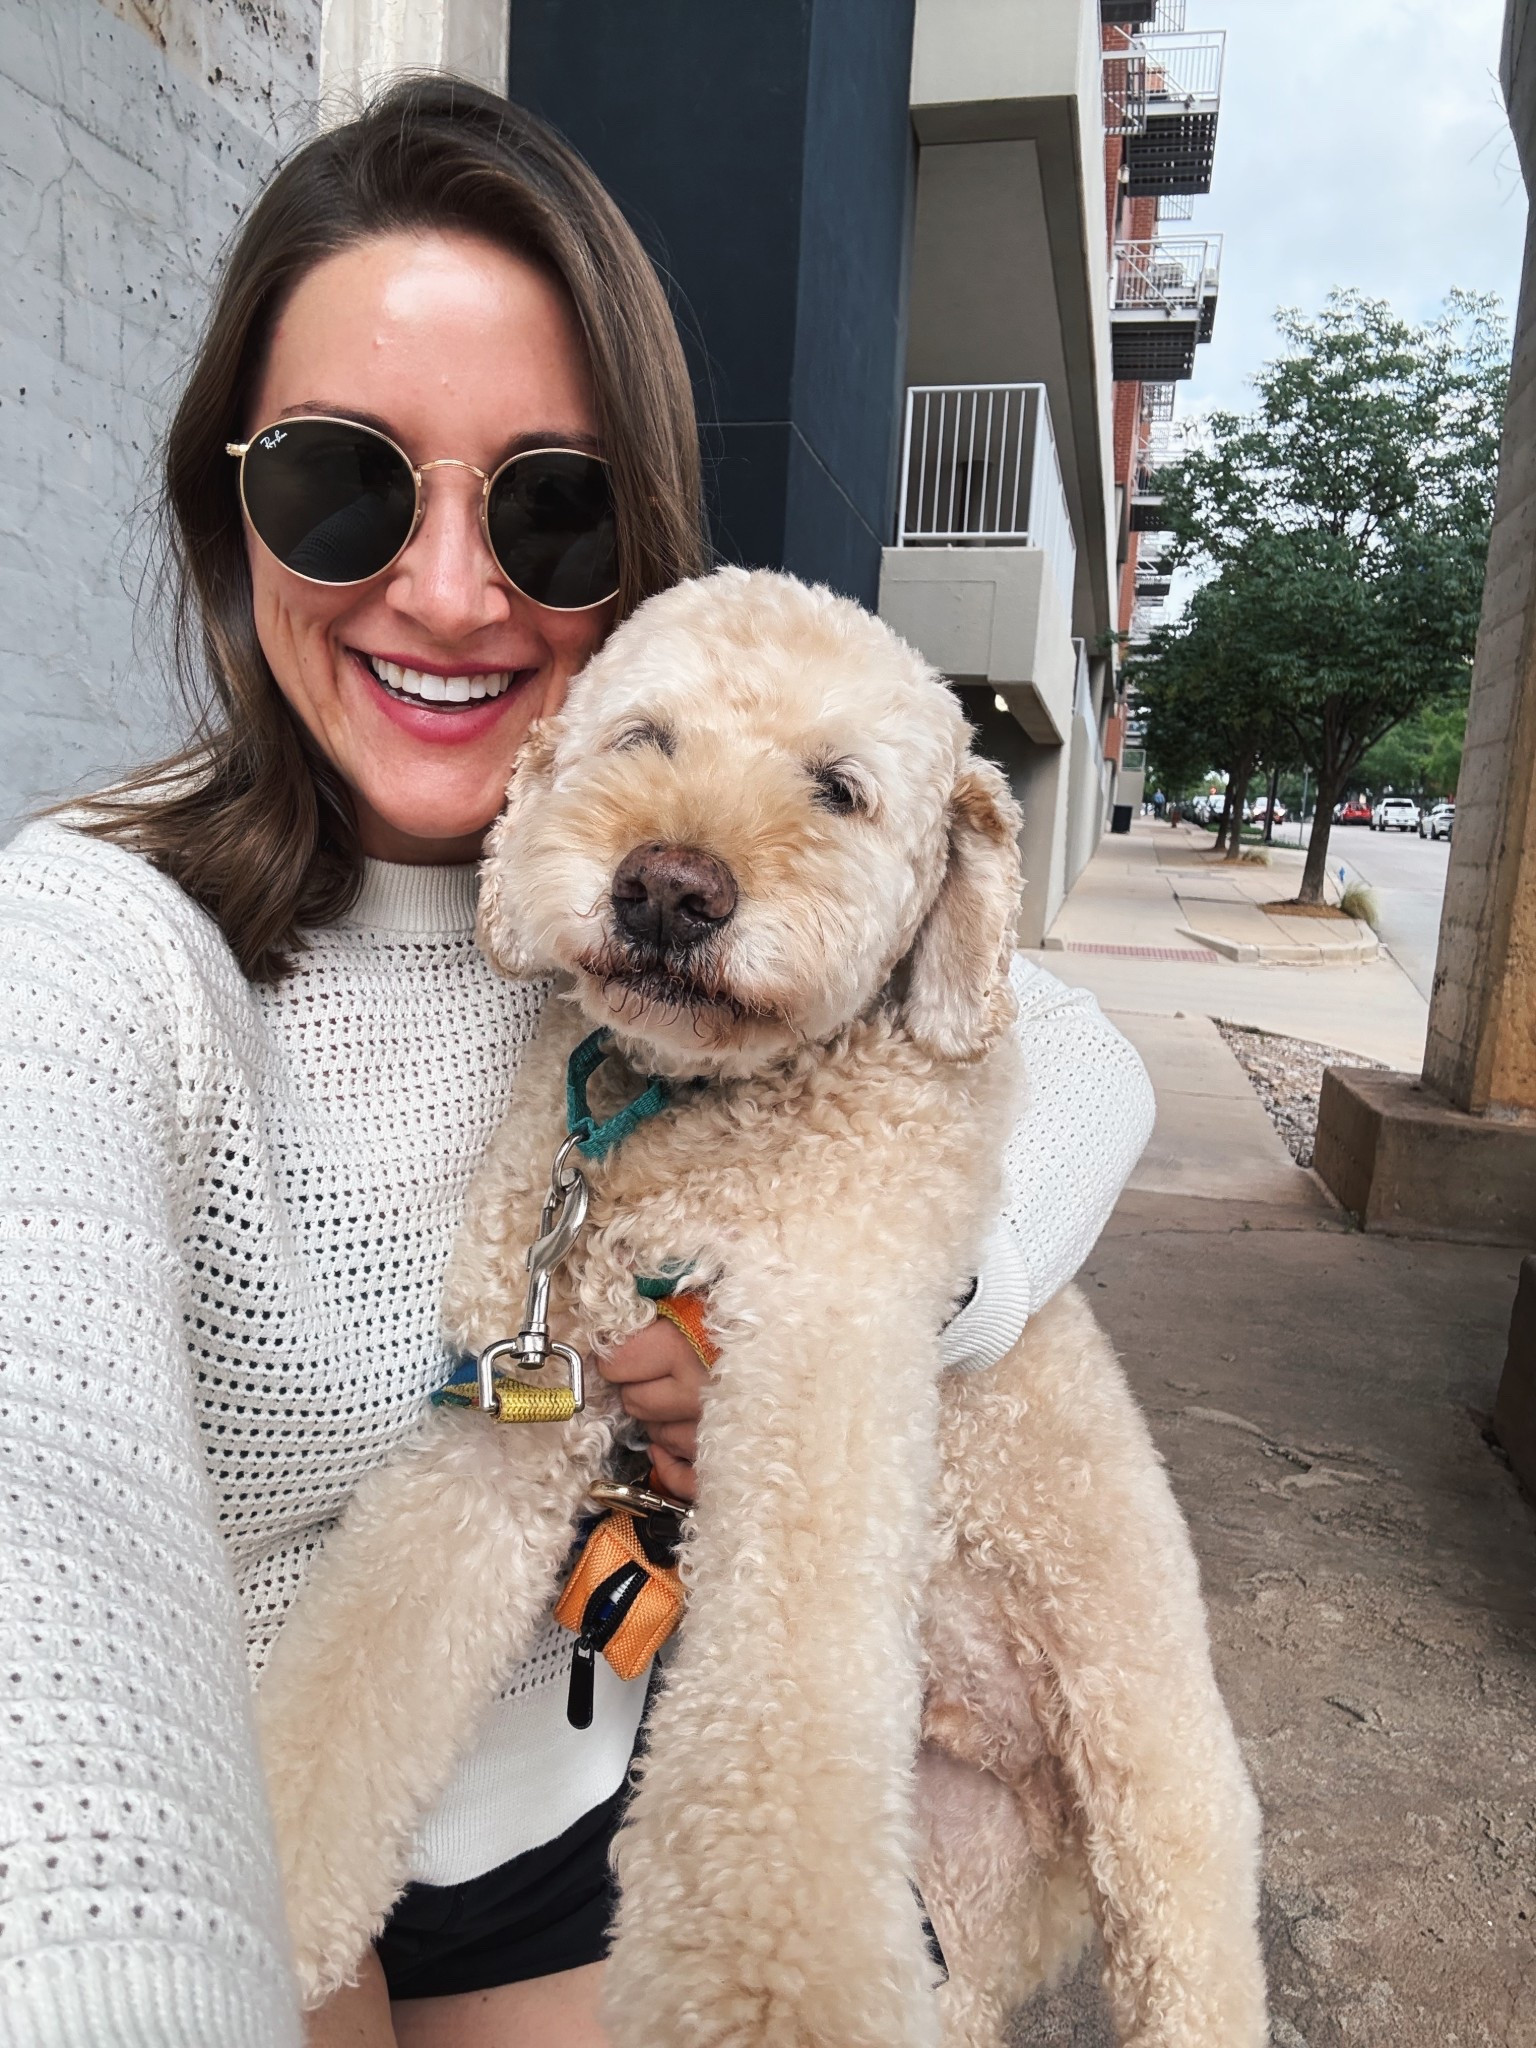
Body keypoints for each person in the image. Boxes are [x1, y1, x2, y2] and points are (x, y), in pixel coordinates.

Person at [0, 79, 1154, 2048]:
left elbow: (1063, 1035)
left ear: (639, 559)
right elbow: (49, 1489)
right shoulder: (99, 942)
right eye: (345, 484)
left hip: (611, 1784)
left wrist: (873, 1321)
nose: (450, 595)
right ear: (231, 503)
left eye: (548, 506)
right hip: (263, 1809)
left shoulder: (665, 916)